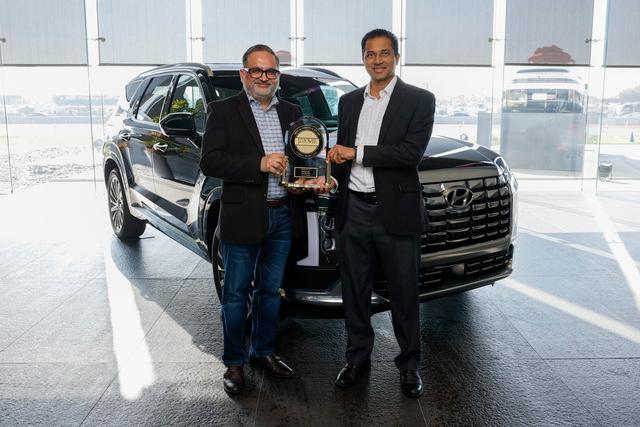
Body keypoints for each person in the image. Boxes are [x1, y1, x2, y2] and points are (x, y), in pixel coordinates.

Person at [327, 29, 435, 398]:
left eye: (385, 53)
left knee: (404, 293)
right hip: (353, 208)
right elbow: (340, 154)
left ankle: (409, 365)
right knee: (355, 291)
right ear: (363, 59)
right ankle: (357, 360)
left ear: (396, 57)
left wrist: (355, 153)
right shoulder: (348, 102)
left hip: (396, 211)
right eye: (371, 54)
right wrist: (329, 176)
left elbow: (409, 154)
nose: (378, 60)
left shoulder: (419, 100)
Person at [200, 44, 304, 395]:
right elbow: (210, 161)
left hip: (282, 215)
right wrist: (258, 164)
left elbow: (302, 156)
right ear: (244, 74)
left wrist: (313, 177)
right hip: (243, 216)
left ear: (278, 76)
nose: (264, 77)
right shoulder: (223, 110)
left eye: (270, 71)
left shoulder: (291, 111)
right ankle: (234, 362)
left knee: (270, 292)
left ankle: (263, 352)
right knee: (235, 294)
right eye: (256, 71)